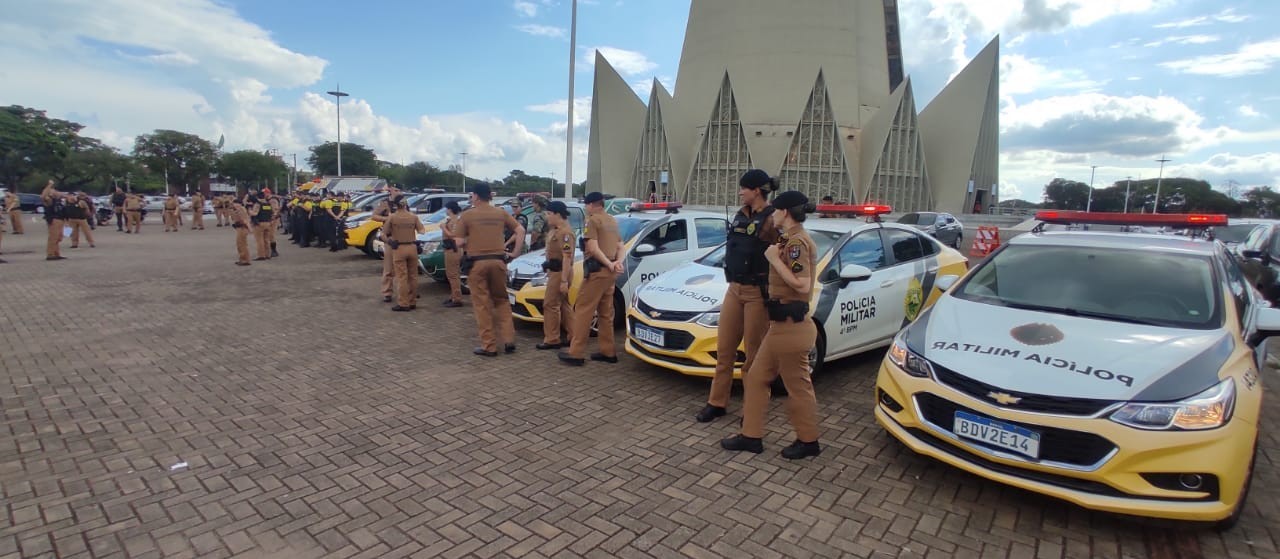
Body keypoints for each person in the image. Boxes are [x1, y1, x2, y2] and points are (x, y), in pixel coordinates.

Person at [721, 190, 822, 459]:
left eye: (776, 210)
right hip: (781, 326)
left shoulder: (797, 243)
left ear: (785, 212)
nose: (773, 214)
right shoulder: (787, 240)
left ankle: (808, 441)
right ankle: (751, 436)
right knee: (755, 377)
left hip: (791, 327)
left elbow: (802, 284)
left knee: (797, 386)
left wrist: (775, 260)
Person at [696, 169, 780, 422]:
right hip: (734, 289)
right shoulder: (740, 215)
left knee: (754, 356)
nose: (740, 191)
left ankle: (752, 411)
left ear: (756, 191)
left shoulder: (772, 220)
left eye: (744, 188)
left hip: (757, 293)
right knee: (725, 351)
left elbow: (782, 258)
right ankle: (717, 402)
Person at [456, 182, 524, 357]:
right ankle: (509, 340)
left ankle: (489, 346)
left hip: (477, 264)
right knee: (502, 300)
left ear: (476, 196)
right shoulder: (501, 213)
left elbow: (459, 242)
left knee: (482, 304)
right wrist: (515, 252)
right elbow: (520, 230)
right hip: (499, 262)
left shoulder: (467, 215)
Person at [559, 191, 623, 366]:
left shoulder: (592, 220)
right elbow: (620, 245)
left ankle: (576, 352)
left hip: (597, 272)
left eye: (586, 205)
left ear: (592, 204)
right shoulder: (612, 220)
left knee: (583, 310)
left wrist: (609, 264)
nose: (585, 208)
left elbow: (593, 248)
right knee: (605, 313)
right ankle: (608, 351)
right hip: (609, 274)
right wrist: (617, 263)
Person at [537, 201, 576, 350]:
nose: (547, 217)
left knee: (550, 304)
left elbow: (567, 257)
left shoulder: (565, 233)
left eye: (549, 214)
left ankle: (552, 339)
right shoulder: (555, 230)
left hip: (561, 272)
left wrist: (564, 280)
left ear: (557, 214)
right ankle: (574, 335)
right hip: (555, 271)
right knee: (564, 305)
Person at [384, 195, 428, 311]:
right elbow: (422, 230)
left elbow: (383, 234)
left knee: (402, 277)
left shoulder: (392, 217)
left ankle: (404, 303)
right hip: (412, 247)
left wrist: (390, 241)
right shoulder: (413, 217)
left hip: (399, 247)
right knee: (413, 276)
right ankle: (412, 301)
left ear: (395, 205)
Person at [369, 189, 398, 302]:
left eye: (399, 190)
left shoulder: (404, 203)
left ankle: (407, 291)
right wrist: (388, 218)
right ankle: (387, 292)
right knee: (389, 267)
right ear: (391, 191)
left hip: (403, 238)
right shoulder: (385, 203)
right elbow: (374, 216)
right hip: (390, 238)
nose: (398, 192)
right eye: (396, 190)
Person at [441, 201, 465, 308]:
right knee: (450, 274)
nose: (445, 211)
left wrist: (443, 228)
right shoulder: (451, 220)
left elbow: (454, 235)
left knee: (453, 275)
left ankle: (457, 298)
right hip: (449, 249)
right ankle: (453, 295)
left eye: (446, 209)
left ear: (450, 209)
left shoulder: (455, 221)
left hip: (453, 249)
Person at [41, 180, 66, 260]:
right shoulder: (49, 201)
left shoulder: (59, 201)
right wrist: (49, 185)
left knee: (60, 237)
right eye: (53, 191)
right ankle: (50, 254)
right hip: (54, 219)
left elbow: (65, 196)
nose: (55, 192)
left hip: (61, 219)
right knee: (53, 237)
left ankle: (56, 253)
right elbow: (43, 196)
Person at [248, 193, 273, 260]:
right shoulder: (268, 204)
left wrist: (249, 211)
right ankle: (268, 254)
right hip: (268, 223)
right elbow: (271, 213)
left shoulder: (258, 204)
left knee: (259, 240)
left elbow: (255, 213)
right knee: (266, 240)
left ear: (257, 197)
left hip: (259, 224)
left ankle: (261, 255)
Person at [229, 197, 252, 266]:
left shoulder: (241, 209)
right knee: (240, 244)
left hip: (242, 228)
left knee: (242, 244)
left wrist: (249, 228)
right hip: (239, 228)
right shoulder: (237, 209)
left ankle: (245, 260)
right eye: (234, 203)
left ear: (239, 204)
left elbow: (245, 220)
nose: (235, 205)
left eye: (237, 203)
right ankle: (242, 259)